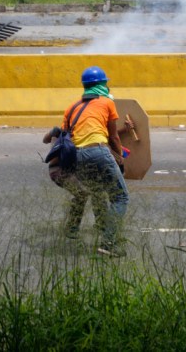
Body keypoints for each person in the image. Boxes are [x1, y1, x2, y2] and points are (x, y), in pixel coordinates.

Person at [59, 65, 130, 257]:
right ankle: (109, 243)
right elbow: (113, 137)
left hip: (78, 156)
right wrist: (120, 159)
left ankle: (104, 229)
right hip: (98, 151)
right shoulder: (106, 102)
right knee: (120, 197)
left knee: (98, 191)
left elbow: (66, 135)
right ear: (103, 84)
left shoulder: (71, 107)